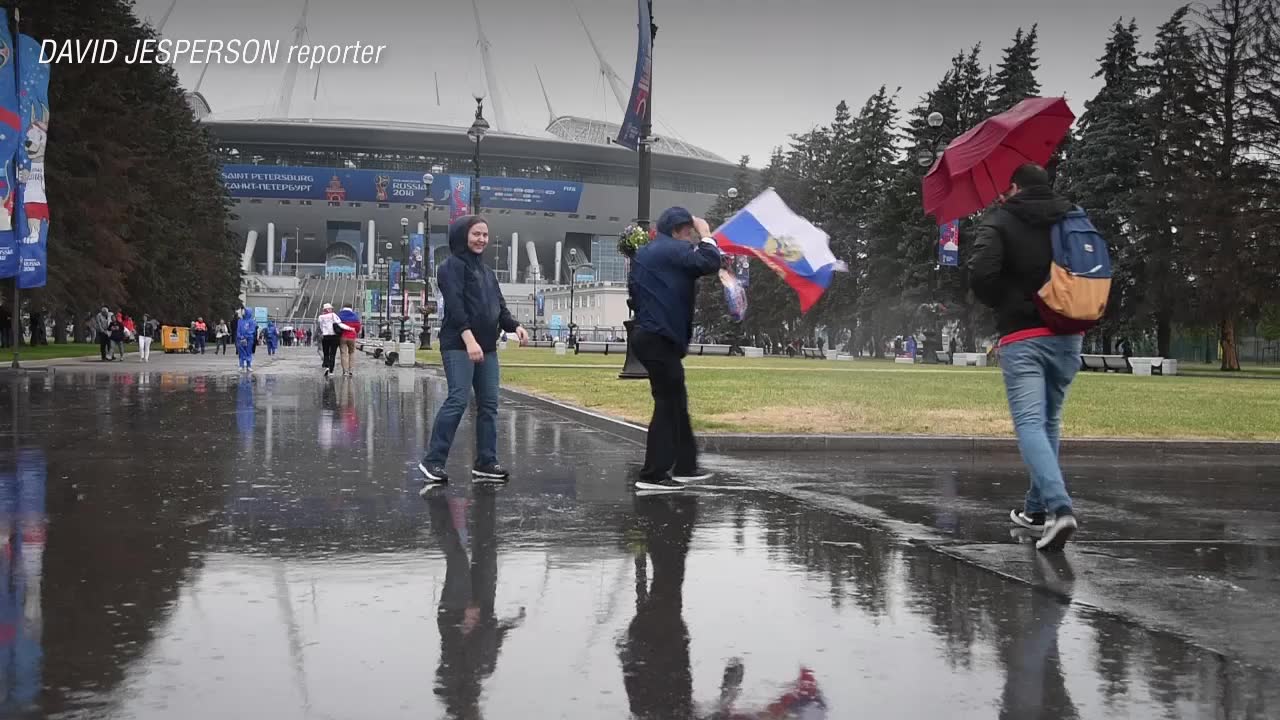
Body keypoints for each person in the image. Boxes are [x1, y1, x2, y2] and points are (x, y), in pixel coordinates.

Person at [969, 163, 1082, 552]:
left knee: (1030, 423)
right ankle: (1035, 512)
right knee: (1048, 421)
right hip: (1068, 332)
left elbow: (981, 275)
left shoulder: (1001, 221)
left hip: (1024, 335)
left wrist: (1009, 302)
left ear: (1015, 187)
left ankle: (1059, 508)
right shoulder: (1071, 216)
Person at [418, 215, 528, 485]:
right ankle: (433, 460)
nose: (482, 239)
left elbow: (499, 307)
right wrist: (469, 340)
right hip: (459, 344)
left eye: (485, 235)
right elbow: (456, 307)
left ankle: (486, 462)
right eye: (476, 234)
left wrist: (515, 326)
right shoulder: (450, 267)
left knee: (489, 404)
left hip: (487, 347)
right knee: (458, 399)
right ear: (462, 235)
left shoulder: (487, 272)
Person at [627, 207, 723, 491]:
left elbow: (635, 295)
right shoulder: (673, 249)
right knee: (668, 404)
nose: (691, 238)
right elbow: (709, 262)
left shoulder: (645, 253)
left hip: (648, 334)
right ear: (678, 230)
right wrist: (706, 234)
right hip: (660, 337)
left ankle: (685, 466)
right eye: (689, 233)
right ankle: (653, 474)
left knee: (676, 402)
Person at [316, 303, 345, 377]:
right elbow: (339, 323)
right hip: (334, 337)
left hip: (325, 336)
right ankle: (331, 370)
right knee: (332, 354)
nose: (332, 309)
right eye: (331, 308)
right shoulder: (333, 315)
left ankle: (327, 366)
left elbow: (321, 327)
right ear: (329, 309)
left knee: (326, 353)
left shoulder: (320, 317)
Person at [337, 303, 362, 376]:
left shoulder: (339, 315)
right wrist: (355, 332)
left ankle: (345, 371)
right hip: (352, 337)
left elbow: (336, 325)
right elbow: (358, 328)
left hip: (342, 337)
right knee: (352, 353)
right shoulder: (355, 316)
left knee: (343, 353)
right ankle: (351, 370)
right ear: (351, 308)